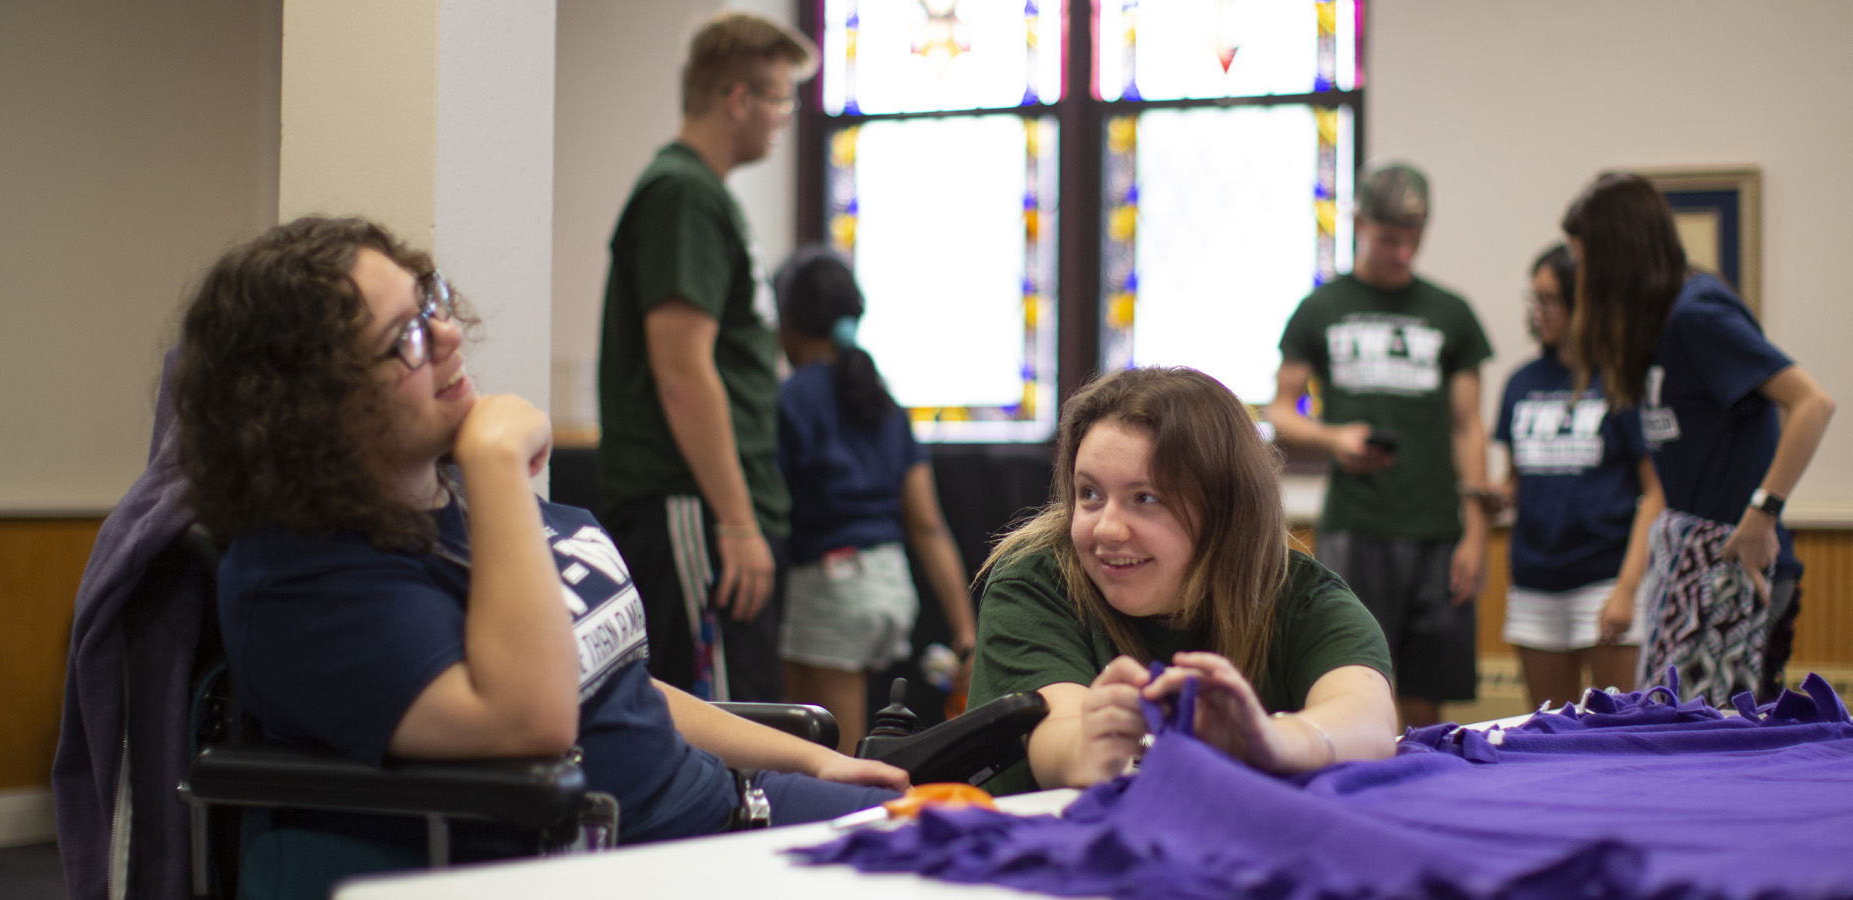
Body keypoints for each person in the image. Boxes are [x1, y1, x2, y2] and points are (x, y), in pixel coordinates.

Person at [175, 218, 906, 860]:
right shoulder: (302, 581)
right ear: (309, 402)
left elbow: (613, 686)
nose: (451, 333)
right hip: (627, 860)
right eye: (406, 337)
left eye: (428, 302)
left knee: (978, 837)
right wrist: (496, 467)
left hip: (727, 814)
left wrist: (811, 763)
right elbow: (533, 718)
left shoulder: (459, 509)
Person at [969, 367, 1398, 794]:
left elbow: (1369, 720)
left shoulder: (1302, 595)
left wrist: (1270, 741)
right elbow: (1057, 734)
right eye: (1090, 494)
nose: (1107, 529)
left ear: (1227, 511)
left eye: (1146, 499)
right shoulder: (1035, 581)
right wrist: (1094, 745)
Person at [595, 11, 817, 702]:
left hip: (716, 501)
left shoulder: (704, 193)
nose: (784, 117)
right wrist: (736, 519)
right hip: (692, 504)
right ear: (738, 98)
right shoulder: (682, 192)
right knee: (725, 723)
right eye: (780, 98)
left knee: (746, 709)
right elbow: (683, 371)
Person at [1560, 172, 1836, 705]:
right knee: (1671, 733)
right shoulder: (1656, 326)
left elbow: (1812, 405)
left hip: (1740, 565)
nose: (1584, 282)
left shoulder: (1697, 313)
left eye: (1586, 262)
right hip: (1689, 564)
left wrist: (1763, 513)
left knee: (1719, 745)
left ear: (1618, 256)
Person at [1264, 163, 1494, 728]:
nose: (1403, 252)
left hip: (1436, 526)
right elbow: (1277, 411)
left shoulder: (1450, 313)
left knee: (1425, 696)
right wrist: (1334, 437)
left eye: (1414, 237)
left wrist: (1478, 529)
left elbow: (1469, 427)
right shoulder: (1322, 308)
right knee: (1353, 675)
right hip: (1356, 524)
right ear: (1360, 223)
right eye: (1390, 237)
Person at [772, 246, 977, 754]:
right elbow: (927, 525)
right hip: (890, 584)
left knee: (829, 755)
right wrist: (965, 630)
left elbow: (769, 505)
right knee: (817, 742)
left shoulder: (792, 398)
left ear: (790, 324)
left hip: (832, 586)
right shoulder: (883, 401)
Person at [1492, 244, 1664, 708]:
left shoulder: (1617, 381)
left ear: (1581, 304)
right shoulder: (1520, 382)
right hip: (1534, 583)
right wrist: (1496, 497)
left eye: (1549, 300)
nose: (1537, 312)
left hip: (1604, 581)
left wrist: (1626, 590)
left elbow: (1655, 493)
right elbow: (1516, 481)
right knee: (1550, 734)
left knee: (1622, 731)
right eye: (1534, 299)